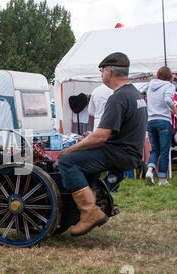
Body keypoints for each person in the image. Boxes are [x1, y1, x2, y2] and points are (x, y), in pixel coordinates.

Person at [58, 52, 148, 237]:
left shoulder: (118, 97)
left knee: (68, 161)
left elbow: (101, 136)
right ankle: (92, 200)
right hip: (129, 152)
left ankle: (89, 211)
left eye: (102, 71)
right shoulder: (134, 94)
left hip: (118, 153)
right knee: (82, 160)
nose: (101, 74)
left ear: (109, 71)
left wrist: (69, 149)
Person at [145, 66, 177, 186]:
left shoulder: (150, 86)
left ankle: (150, 171)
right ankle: (162, 179)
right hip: (163, 120)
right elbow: (168, 100)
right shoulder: (169, 86)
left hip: (151, 120)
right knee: (164, 151)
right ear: (169, 77)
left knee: (155, 150)